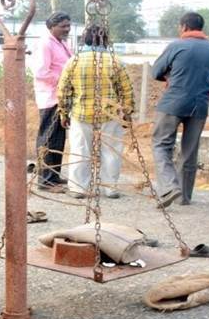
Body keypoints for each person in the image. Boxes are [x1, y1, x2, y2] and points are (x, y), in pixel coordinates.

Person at [150, 11, 209, 206]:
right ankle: (184, 196)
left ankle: (169, 187)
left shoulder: (177, 46)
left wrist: (170, 75)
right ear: (201, 28)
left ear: (183, 27)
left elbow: (155, 71)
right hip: (200, 104)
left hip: (173, 102)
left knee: (161, 144)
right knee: (189, 150)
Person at [56, 22, 134, 199]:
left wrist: (63, 112)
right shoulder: (115, 61)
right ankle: (110, 188)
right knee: (111, 151)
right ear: (106, 39)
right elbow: (126, 89)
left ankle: (77, 188)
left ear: (85, 39)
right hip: (109, 115)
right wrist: (127, 113)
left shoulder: (73, 62)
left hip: (81, 114)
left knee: (80, 150)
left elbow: (63, 90)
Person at [32, 12, 73, 192]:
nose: (67, 29)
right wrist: (64, 80)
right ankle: (46, 181)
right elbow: (41, 72)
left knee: (58, 139)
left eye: (68, 25)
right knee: (48, 138)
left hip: (61, 97)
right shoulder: (45, 44)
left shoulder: (62, 44)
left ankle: (54, 176)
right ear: (52, 26)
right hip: (50, 97)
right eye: (63, 26)